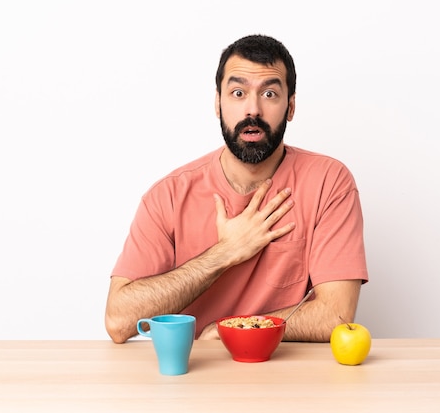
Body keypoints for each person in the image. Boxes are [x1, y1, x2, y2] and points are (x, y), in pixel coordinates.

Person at [105, 34, 368, 344]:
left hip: (292, 379)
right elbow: (118, 321)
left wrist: (235, 329)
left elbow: (335, 314)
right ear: (218, 103)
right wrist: (224, 253)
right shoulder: (168, 196)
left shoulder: (329, 182)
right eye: (238, 92)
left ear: (291, 106)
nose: (252, 110)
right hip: (193, 379)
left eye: (269, 93)